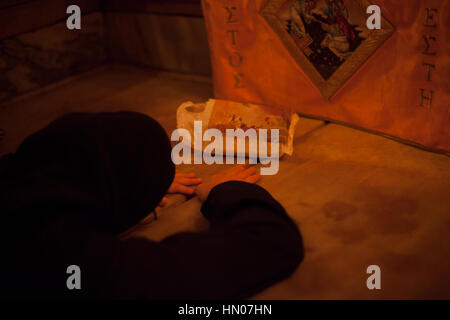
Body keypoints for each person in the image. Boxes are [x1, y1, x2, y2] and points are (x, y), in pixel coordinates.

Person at [0, 111, 303, 299]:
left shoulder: (19, 178)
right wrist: (224, 190)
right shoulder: (64, 263)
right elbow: (269, 243)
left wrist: (131, 182)